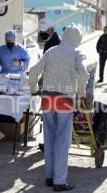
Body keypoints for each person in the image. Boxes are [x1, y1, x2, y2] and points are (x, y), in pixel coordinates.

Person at [29, 24, 89, 192]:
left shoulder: (51, 51)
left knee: (49, 138)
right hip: (64, 100)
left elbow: (33, 71)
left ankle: (49, 176)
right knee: (62, 141)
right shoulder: (77, 53)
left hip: (47, 98)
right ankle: (59, 181)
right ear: (77, 38)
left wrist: (34, 90)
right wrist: (80, 92)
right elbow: (84, 74)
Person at [38, 19, 61, 152]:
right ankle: (48, 143)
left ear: (51, 30)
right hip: (49, 82)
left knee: (52, 116)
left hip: (55, 85)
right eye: (41, 32)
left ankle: (52, 145)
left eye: (44, 32)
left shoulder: (57, 43)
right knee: (48, 116)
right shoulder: (49, 41)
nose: (42, 34)